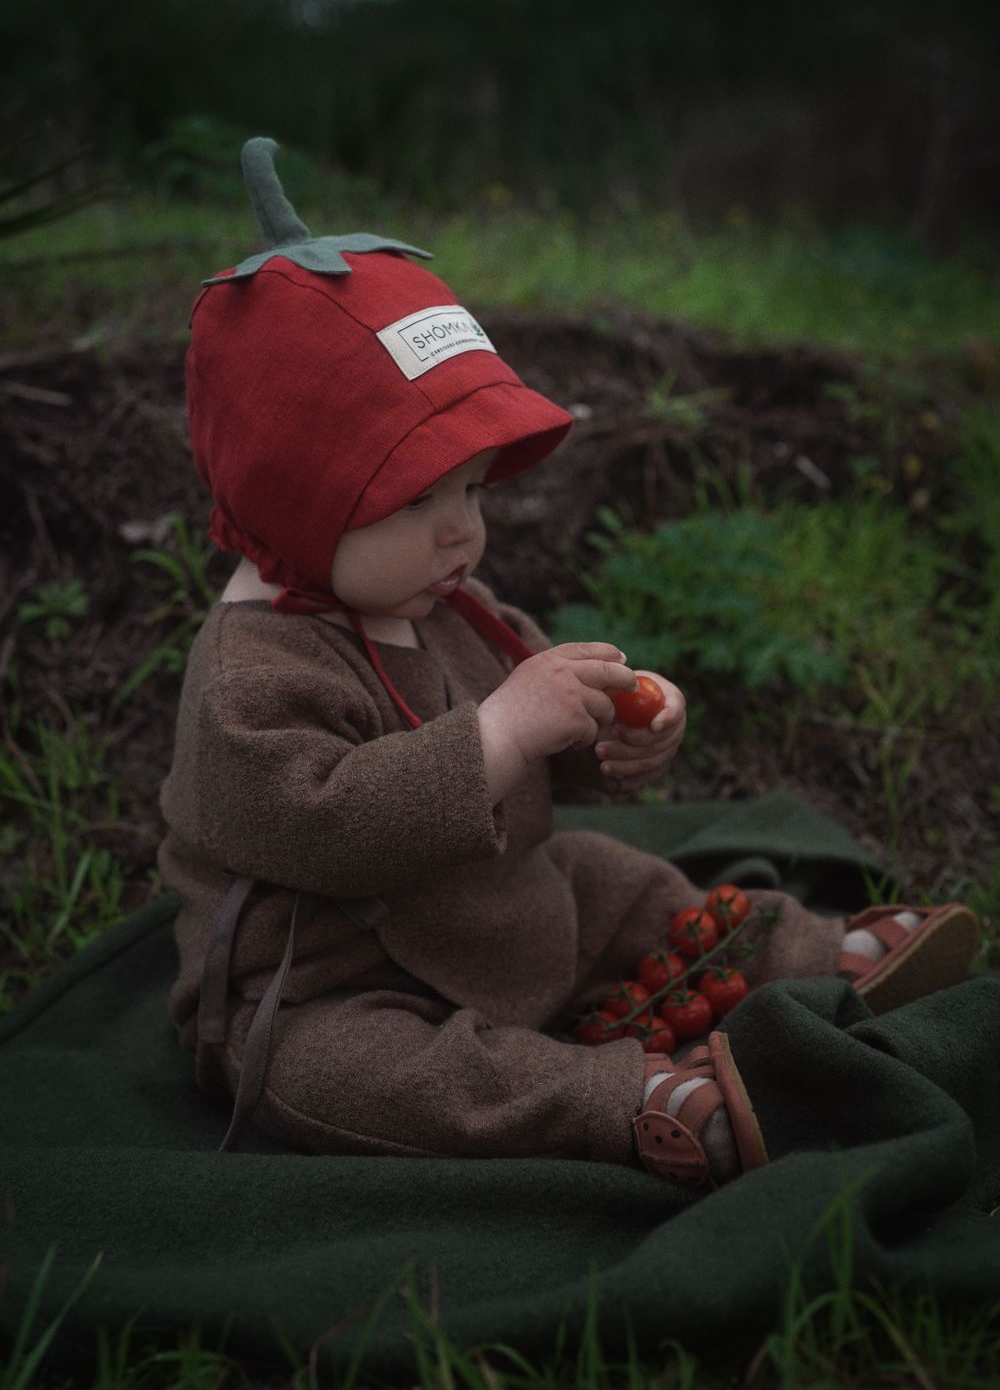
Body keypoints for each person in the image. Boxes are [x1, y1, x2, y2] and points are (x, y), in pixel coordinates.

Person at [160, 139, 979, 1186]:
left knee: (610, 876)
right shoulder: (250, 673)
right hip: (334, 973)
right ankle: (619, 1100)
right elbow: (322, 826)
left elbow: (547, 720)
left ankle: (816, 956)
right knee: (331, 1071)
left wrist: (610, 731)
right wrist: (501, 731)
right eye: (418, 501)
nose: (462, 536)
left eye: (475, 492)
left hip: (492, 909)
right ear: (294, 499)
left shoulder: (438, 596)